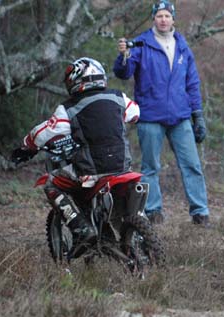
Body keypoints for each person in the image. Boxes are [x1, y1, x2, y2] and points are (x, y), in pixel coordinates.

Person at [11, 57, 140, 250]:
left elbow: (42, 133)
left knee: (51, 183)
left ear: (75, 80)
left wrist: (26, 147)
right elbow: (135, 114)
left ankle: (81, 229)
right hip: (122, 167)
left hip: (91, 170)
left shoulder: (69, 107)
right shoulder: (118, 97)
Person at [113, 0, 210, 226]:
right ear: (153, 18)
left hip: (180, 117)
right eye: (159, 16)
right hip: (150, 117)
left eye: (167, 16)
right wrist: (124, 55)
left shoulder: (182, 45)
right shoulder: (141, 44)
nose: (163, 20)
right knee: (150, 168)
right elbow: (123, 73)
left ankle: (200, 212)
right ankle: (154, 211)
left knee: (192, 165)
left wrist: (198, 115)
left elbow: (192, 83)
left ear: (173, 19)